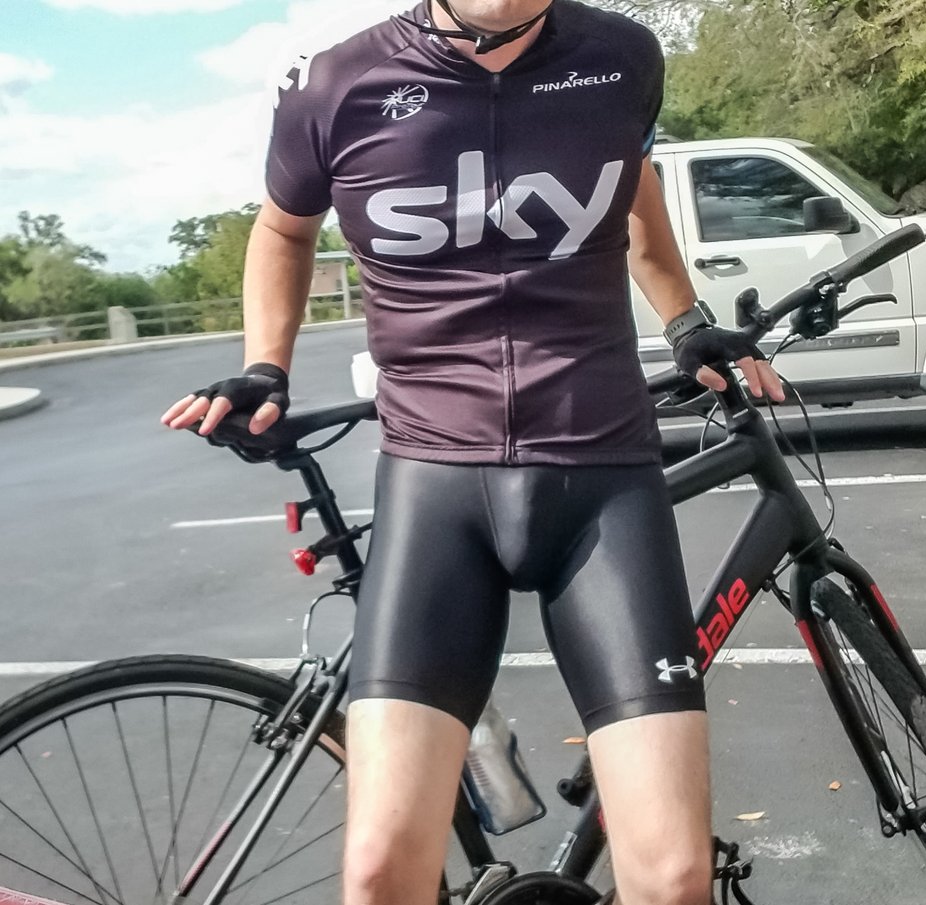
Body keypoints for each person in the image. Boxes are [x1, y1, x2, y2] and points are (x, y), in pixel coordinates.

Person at [162, 1, 785, 902]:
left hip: (602, 472)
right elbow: (284, 226)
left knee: (675, 873)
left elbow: (633, 184)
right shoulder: (337, 82)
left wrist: (685, 320)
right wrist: (267, 365)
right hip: (435, 481)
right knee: (381, 868)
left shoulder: (622, 57)